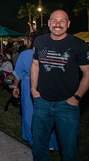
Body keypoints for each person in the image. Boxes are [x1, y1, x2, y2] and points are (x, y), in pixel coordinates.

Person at [31, 9, 89, 160]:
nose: (58, 24)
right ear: (49, 23)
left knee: (69, 150)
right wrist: (33, 90)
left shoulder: (78, 45)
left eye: (62, 21)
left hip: (67, 105)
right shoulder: (40, 41)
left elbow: (87, 73)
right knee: (38, 146)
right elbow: (35, 65)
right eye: (54, 21)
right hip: (42, 102)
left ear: (68, 24)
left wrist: (76, 98)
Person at [12, 31, 59, 151]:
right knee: (47, 114)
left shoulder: (26, 54)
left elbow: (18, 73)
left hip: (29, 85)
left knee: (29, 112)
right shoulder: (49, 53)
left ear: (31, 41)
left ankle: (33, 140)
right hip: (46, 86)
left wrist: (15, 87)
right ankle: (50, 142)